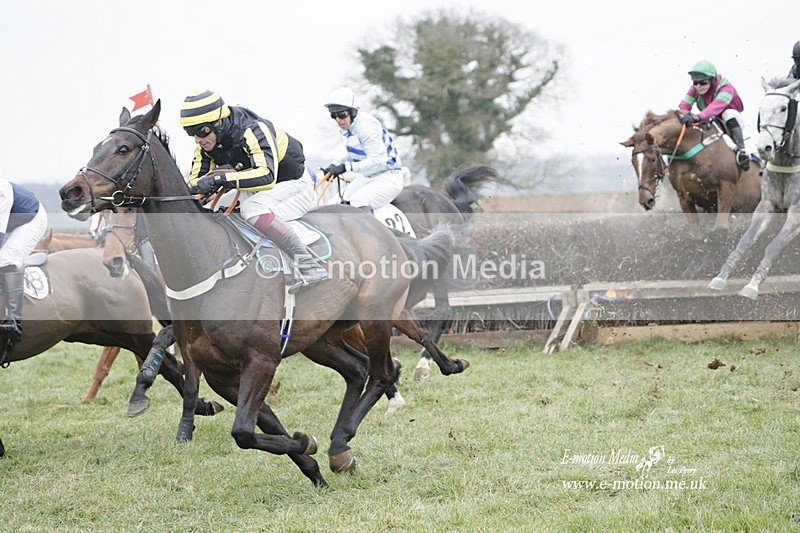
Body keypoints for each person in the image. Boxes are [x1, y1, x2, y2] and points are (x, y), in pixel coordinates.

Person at [179, 90, 326, 293]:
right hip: (255, 189)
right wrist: (206, 184)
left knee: (252, 210)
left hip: (292, 185)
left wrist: (220, 178)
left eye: (201, 131)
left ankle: (309, 265)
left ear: (219, 123)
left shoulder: (254, 129)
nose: (197, 139)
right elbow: (194, 183)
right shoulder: (205, 144)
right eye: (191, 132)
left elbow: (267, 176)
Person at [323, 87, 404, 211]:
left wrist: (345, 167)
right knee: (334, 203)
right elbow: (354, 155)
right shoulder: (347, 128)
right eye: (334, 116)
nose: (338, 120)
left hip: (388, 177)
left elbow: (378, 161)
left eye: (342, 114)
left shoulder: (366, 128)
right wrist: (335, 165)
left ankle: (373, 231)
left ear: (353, 112)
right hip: (368, 177)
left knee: (358, 200)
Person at [678, 60, 750, 171]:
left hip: (732, 120)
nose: (698, 86)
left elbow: (715, 108)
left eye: (703, 82)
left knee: (727, 113)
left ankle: (741, 151)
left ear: (712, 80)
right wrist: (682, 116)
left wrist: (696, 117)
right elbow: (684, 105)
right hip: (711, 119)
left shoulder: (726, 88)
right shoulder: (695, 89)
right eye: (695, 82)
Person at [0, 179, 48, 343]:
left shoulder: (1, 191)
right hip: (10, 221)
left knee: (6, 258)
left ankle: (14, 320)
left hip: (32, 219)